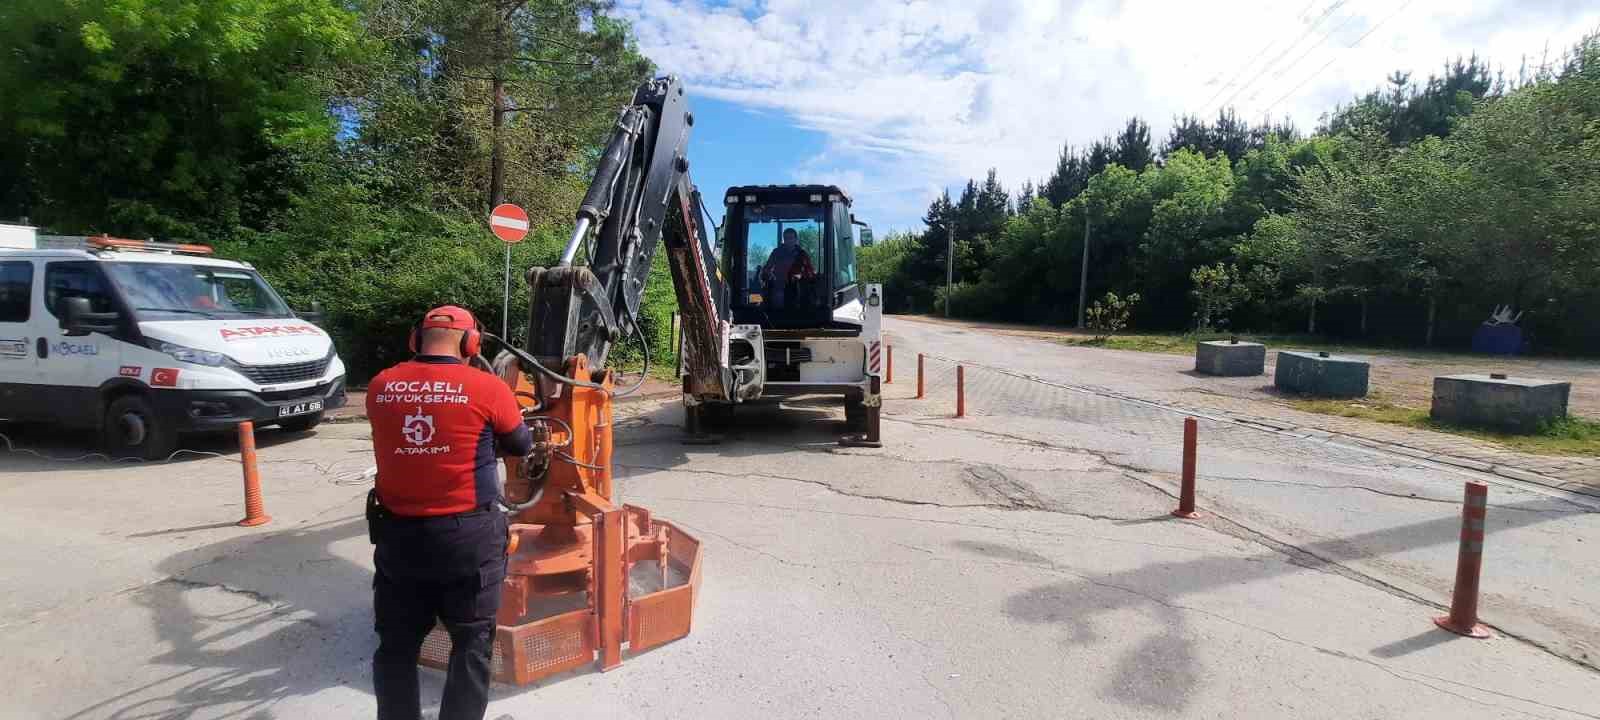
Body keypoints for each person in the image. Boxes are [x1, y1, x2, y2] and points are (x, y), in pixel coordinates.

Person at [365, 305, 533, 720]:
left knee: (396, 646)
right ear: (472, 344)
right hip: (468, 540)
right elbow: (521, 445)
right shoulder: (487, 387)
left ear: (415, 338)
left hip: (398, 539)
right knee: (472, 643)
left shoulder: (381, 385)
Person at [760, 227, 815, 309]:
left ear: (796, 239)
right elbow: (767, 268)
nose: (788, 240)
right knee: (769, 299)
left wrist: (801, 276)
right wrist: (768, 275)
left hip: (797, 289)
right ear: (783, 240)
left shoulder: (802, 254)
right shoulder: (777, 252)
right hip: (779, 288)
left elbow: (810, 273)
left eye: (791, 238)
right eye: (786, 238)